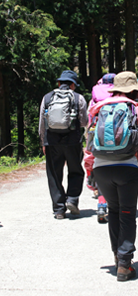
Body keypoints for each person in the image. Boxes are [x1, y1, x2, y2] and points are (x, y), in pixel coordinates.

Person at [86, 71, 138, 281]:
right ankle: (125, 264)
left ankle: (117, 258)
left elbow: (89, 144)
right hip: (127, 168)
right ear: (133, 92)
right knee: (127, 213)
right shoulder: (135, 110)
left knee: (114, 211)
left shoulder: (99, 109)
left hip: (102, 169)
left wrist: (89, 171)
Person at [39, 70, 88, 219]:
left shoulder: (47, 97)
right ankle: (72, 199)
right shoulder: (78, 98)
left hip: (52, 142)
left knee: (54, 175)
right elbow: (85, 122)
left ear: (59, 83)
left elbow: (42, 122)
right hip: (73, 141)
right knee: (76, 171)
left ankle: (59, 210)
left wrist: (43, 142)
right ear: (73, 84)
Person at [85, 73, 116, 223]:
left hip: (96, 132)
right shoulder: (119, 95)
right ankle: (116, 206)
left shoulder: (95, 97)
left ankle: (102, 205)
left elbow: (89, 118)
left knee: (100, 169)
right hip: (118, 137)